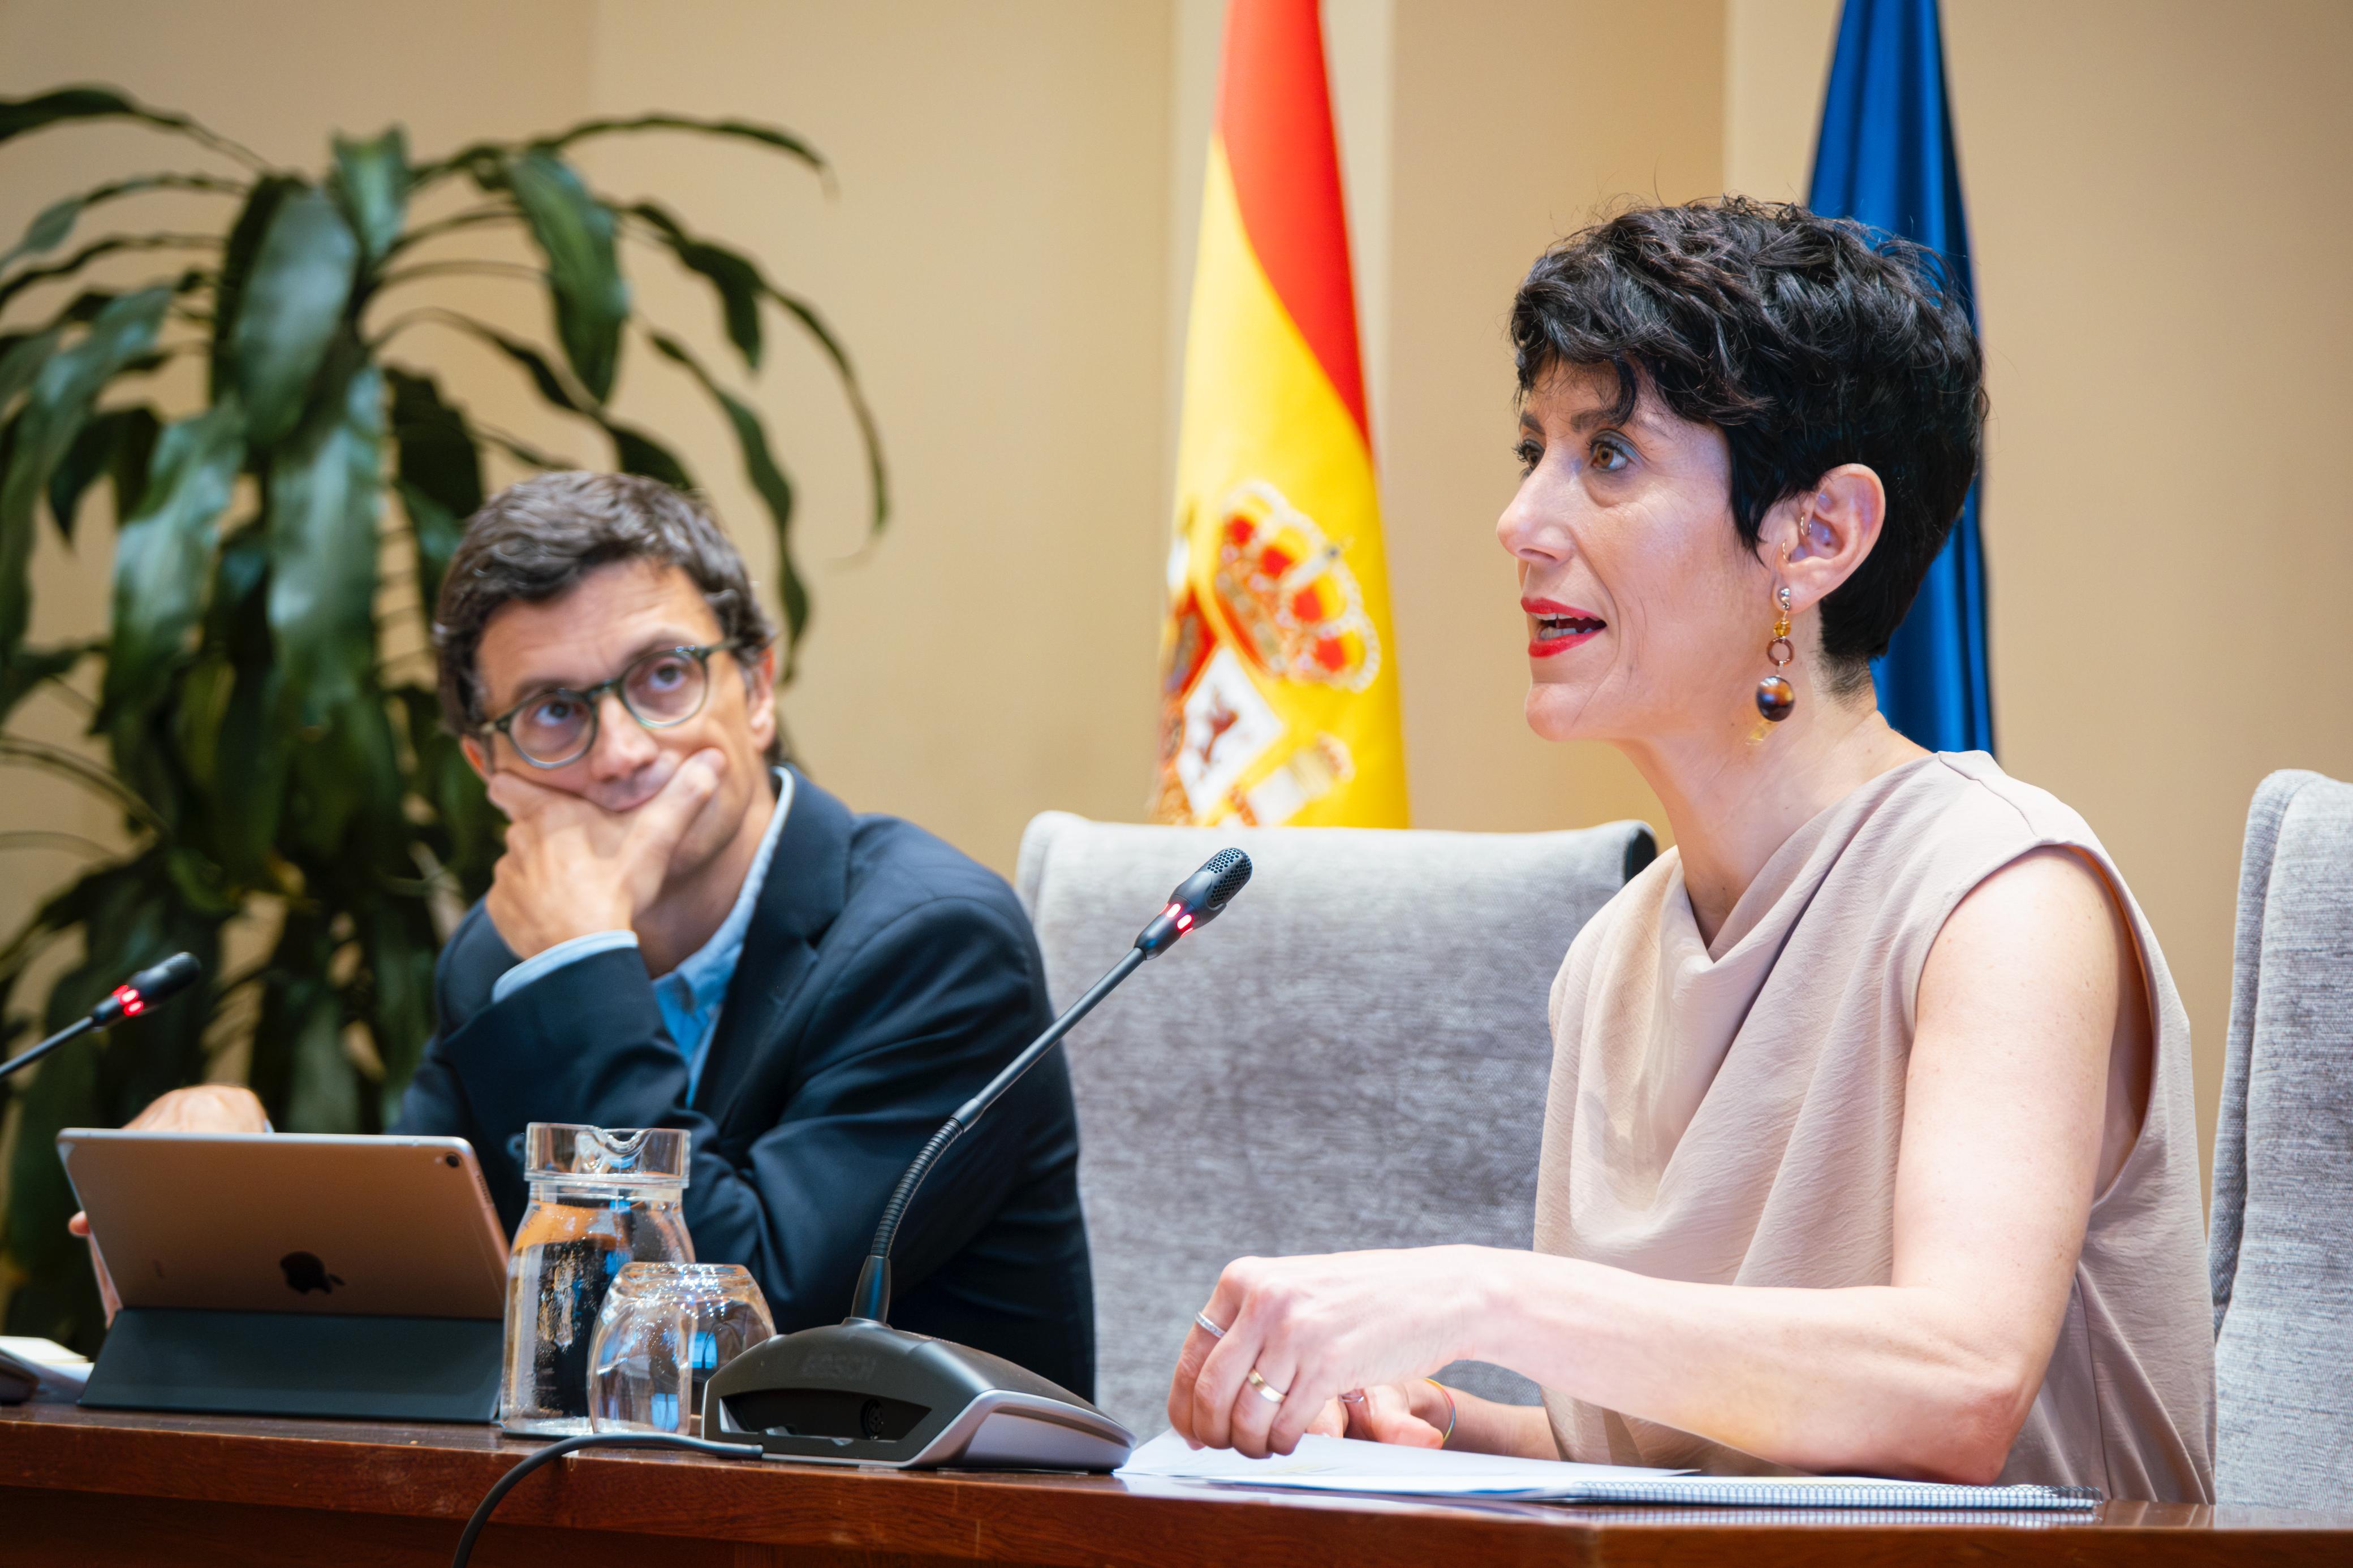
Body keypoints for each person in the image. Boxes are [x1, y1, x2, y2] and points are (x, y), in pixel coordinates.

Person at [1163, 198, 2213, 1500]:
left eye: (1608, 459)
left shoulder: (2004, 896)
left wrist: (1483, 1293)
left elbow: (1958, 1384)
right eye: (1533, 450)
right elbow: (1709, 1455)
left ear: (1816, 536)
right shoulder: (1611, 957)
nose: (1520, 520)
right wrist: (1437, 1417)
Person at [83, 473, 1094, 1395]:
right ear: (489, 767)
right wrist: (230, 1168)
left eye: (664, 675)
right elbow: (416, 1281)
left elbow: (741, 1322)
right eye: (556, 710)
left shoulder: (936, 943)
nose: (622, 752)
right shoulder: (501, 950)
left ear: (759, 689)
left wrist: (581, 964)